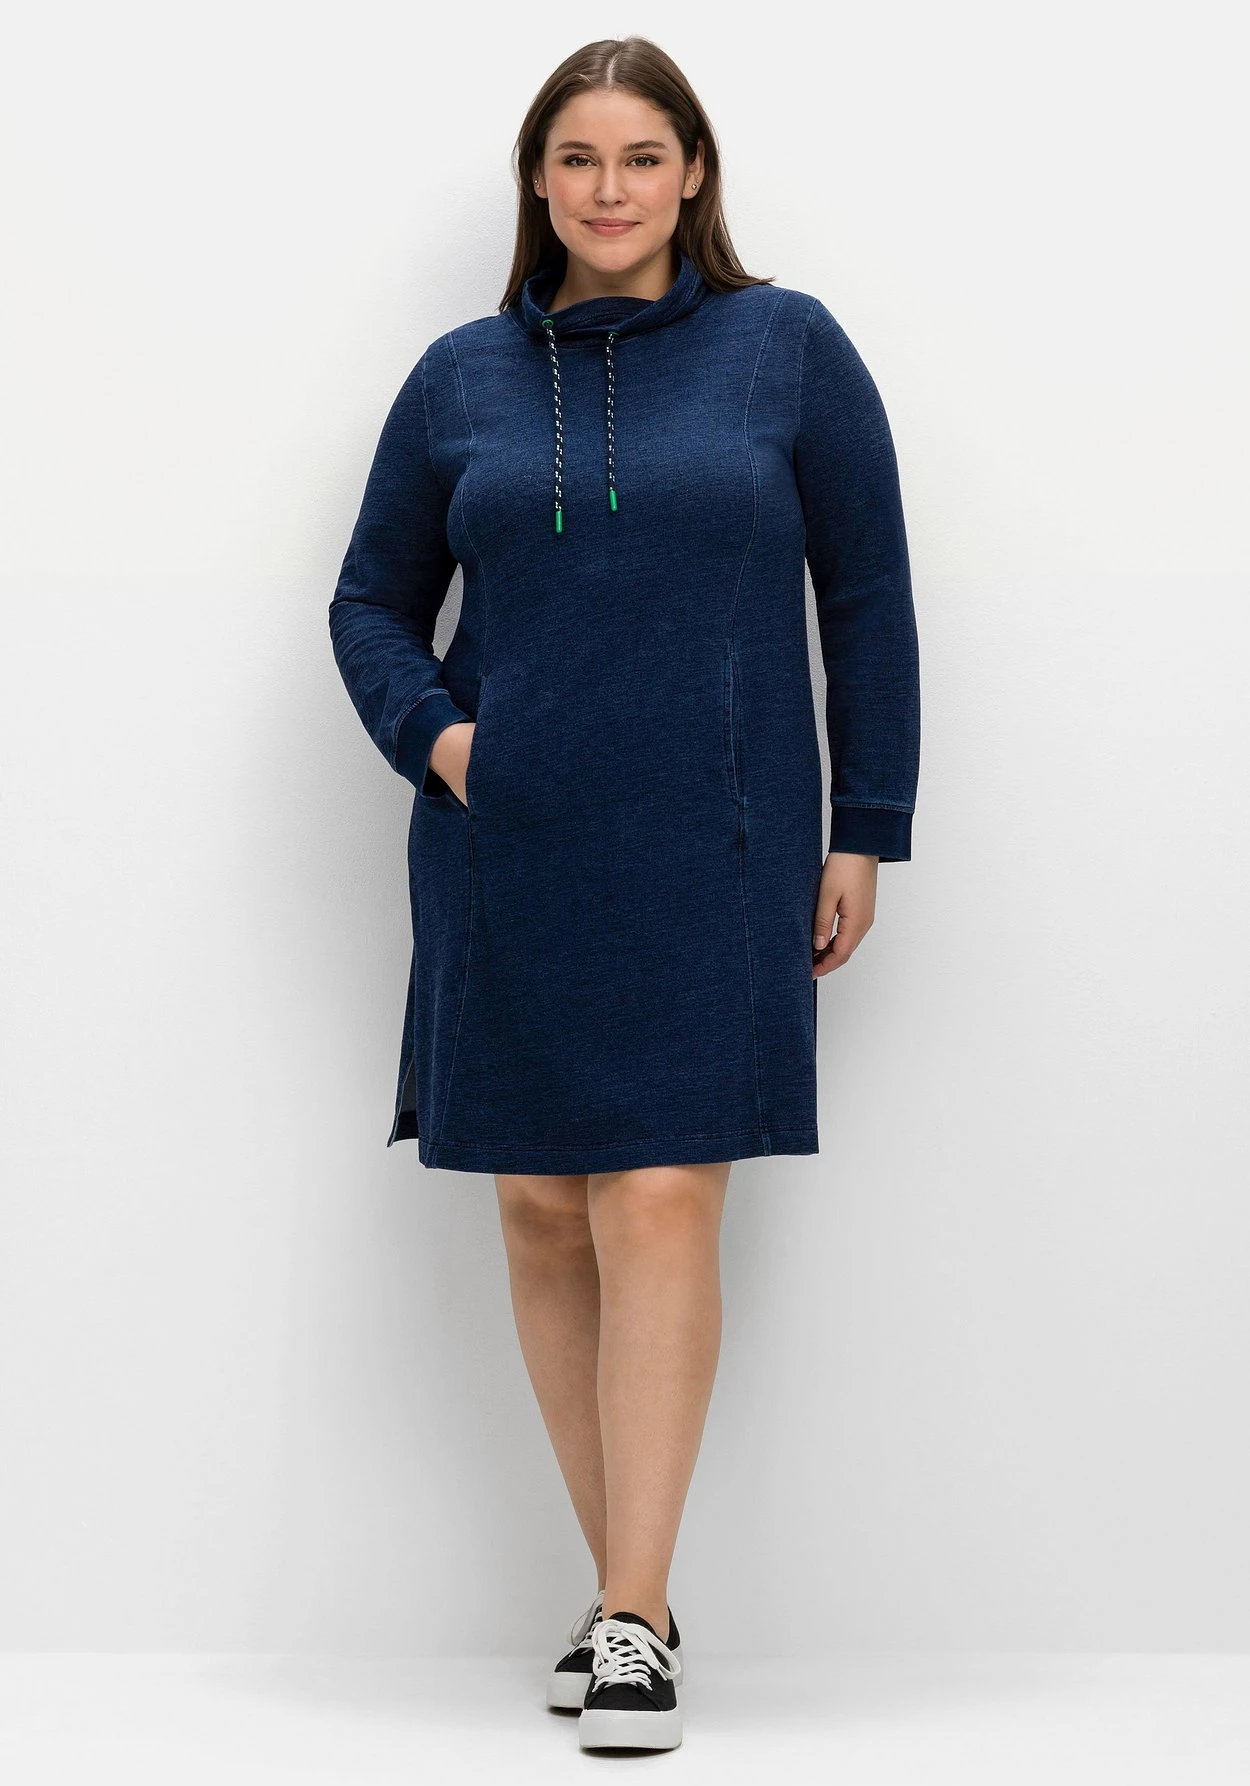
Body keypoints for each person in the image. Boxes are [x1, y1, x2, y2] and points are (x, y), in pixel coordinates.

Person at [327, 35, 921, 1753]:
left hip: (717, 842)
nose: (609, 189)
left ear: (692, 173)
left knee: (657, 1194)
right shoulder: (458, 377)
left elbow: (865, 597)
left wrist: (864, 825)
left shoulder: (784, 348)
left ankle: (632, 1616)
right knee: (537, 1206)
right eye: (577, 158)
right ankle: (630, 1604)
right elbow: (369, 602)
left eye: (641, 156)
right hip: (507, 843)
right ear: (538, 179)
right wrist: (445, 744)